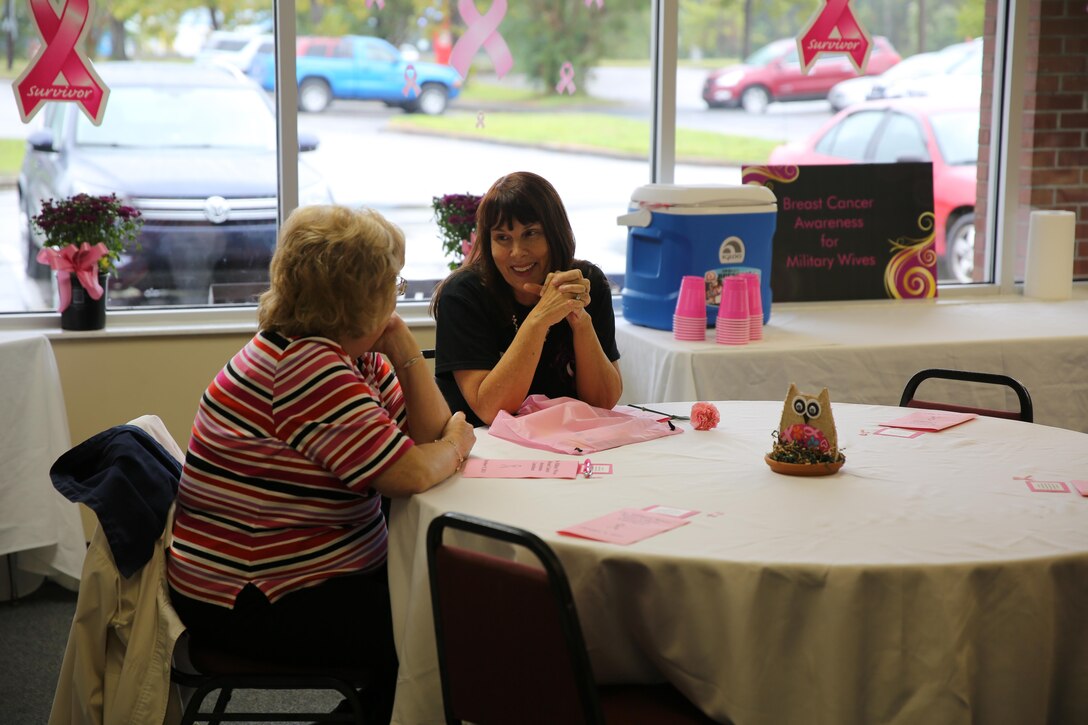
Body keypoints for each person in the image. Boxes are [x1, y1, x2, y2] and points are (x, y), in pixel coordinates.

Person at [167, 204, 475, 724]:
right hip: (254, 599)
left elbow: (427, 430)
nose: (397, 294)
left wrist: (400, 341)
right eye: (391, 284)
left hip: (293, 578)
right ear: (358, 294)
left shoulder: (346, 354)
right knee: (449, 634)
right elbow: (411, 472)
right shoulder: (305, 368)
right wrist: (458, 445)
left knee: (449, 610)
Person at [430, 171, 623, 427]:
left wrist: (579, 319)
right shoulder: (463, 294)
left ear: (555, 234)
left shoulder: (586, 283)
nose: (517, 252)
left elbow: (603, 402)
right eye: (502, 238)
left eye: (531, 233)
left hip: (570, 442)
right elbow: (491, 410)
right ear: (488, 243)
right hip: (482, 448)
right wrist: (540, 319)